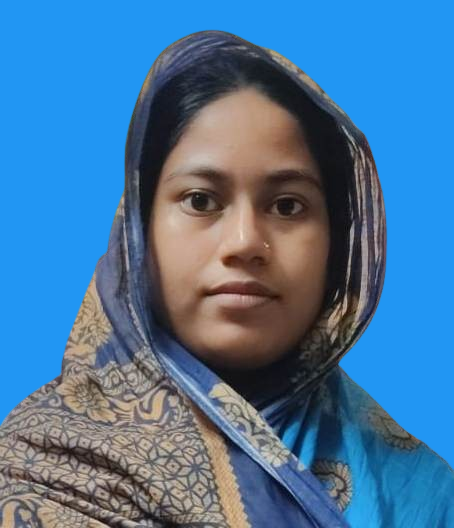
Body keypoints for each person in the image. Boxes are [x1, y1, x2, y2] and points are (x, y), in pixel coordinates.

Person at [0, 29, 452, 527]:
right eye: (200, 200)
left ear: (338, 243)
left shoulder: (420, 495)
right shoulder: (43, 468)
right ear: (138, 233)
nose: (244, 242)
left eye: (287, 206)